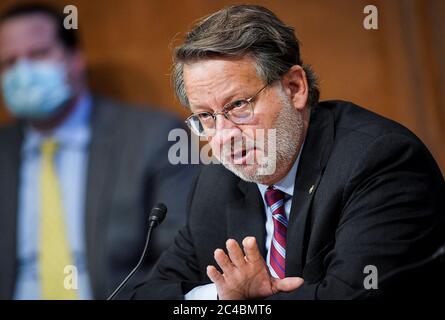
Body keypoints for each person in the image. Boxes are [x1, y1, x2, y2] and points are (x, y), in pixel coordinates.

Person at [132, 4, 445, 300]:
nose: (223, 136)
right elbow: (144, 293)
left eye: (238, 106)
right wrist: (220, 295)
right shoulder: (217, 183)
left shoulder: (380, 161)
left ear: (294, 87)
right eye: (205, 116)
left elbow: (350, 295)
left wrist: (251, 301)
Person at [0, 3, 199, 300]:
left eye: (38, 54)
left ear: (75, 59)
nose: (23, 72)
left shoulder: (152, 137)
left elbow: (181, 255)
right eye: (9, 62)